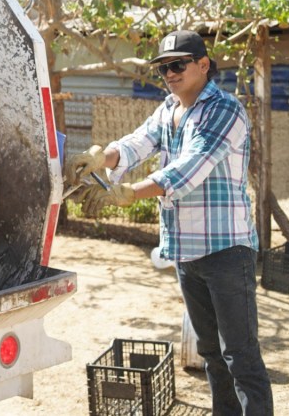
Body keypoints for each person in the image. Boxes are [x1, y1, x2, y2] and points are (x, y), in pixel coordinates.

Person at [66, 29, 273, 416]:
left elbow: (190, 168)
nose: (170, 73)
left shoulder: (225, 110)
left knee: (241, 358)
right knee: (211, 355)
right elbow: (136, 143)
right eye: (163, 67)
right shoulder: (169, 110)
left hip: (227, 251)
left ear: (203, 65)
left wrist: (127, 194)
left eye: (178, 64)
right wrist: (102, 156)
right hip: (186, 253)